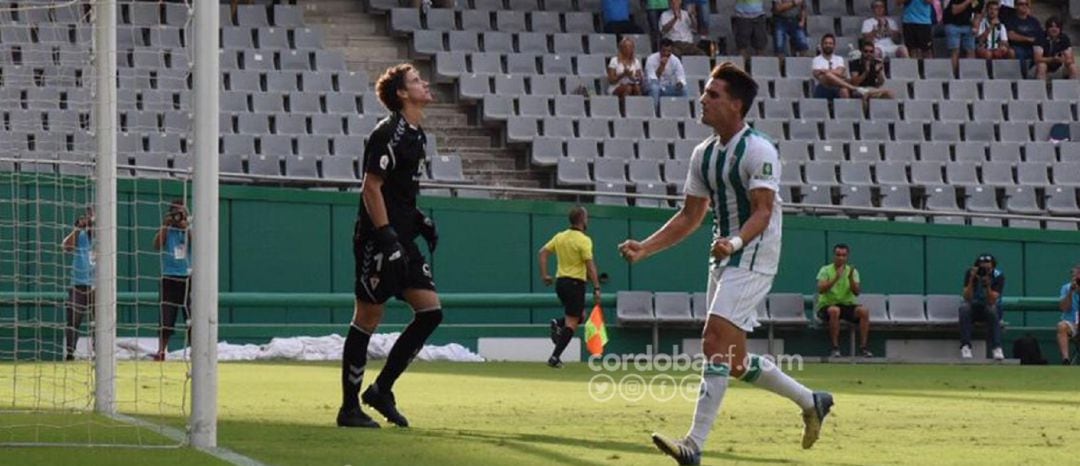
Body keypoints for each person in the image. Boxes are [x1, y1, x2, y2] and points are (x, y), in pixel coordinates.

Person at [620, 62, 833, 465]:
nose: (703, 99)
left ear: (736, 105)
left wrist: (734, 241)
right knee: (731, 360)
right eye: (704, 92)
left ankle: (693, 445)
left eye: (713, 94)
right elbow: (689, 216)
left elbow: (763, 211)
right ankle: (812, 401)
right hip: (725, 255)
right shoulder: (703, 154)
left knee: (712, 340)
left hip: (754, 253)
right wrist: (646, 248)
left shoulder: (759, 149)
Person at [336, 64, 442, 429]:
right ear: (401, 93)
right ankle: (349, 408)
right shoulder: (387, 133)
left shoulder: (418, 135)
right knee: (368, 318)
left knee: (431, 313)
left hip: (402, 236)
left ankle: (381, 389)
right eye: (415, 80)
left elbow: (400, 194)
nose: (423, 83)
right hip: (377, 239)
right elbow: (371, 187)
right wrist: (385, 236)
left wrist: (419, 221)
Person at [538, 206, 601, 368]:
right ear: (583, 220)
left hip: (561, 283)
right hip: (575, 284)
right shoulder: (584, 240)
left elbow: (542, 252)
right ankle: (554, 357)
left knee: (579, 315)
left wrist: (545, 274)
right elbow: (590, 265)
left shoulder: (560, 237)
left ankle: (558, 323)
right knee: (572, 323)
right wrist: (596, 287)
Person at [815, 244, 872, 358]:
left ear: (847, 257)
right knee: (835, 311)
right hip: (827, 306)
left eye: (843, 255)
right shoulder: (825, 270)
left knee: (864, 311)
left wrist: (850, 278)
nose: (841, 257)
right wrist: (836, 277)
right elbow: (821, 289)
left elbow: (856, 292)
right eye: (838, 255)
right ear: (834, 256)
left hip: (846, 305)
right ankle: (835, 348)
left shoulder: (852, 271)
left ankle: (863, 348)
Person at [152, 199, 192, 362]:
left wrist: (186, 226)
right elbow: (156, 245)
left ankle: (194, 350)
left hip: (188, 277)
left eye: (180, 213)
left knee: (191, 316)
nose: (177, 217)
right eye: (174, 213)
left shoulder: (189, 228)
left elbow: (197, 241)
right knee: (166, 316)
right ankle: (161, 350)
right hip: (169, 277)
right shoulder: (167, 230)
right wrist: (165, 225)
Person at [61, 206, 95, 361]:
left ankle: (99, 352)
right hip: (79, 284)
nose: (91, 218)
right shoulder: (79, 235)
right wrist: (77, 228)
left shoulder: (105, 236)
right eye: (88, 215)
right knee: (73, 319)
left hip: (99, 285)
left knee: (99, 321)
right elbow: (67, 247)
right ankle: (70, 352)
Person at [959, 253, 1005, 361]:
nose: (984, 268)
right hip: (975, 306)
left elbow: (992, 300)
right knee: (964, 309)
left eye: (988, 266)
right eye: (982, 265)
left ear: (993, 266)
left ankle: (996, 347)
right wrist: (971, 279)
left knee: (992, 310)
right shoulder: (971, 273)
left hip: (990, 307)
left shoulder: (998, 276)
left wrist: (988, 286)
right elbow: (967, 297)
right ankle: (966, 346)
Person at [812, 34, 865, 100]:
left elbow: (840, 72)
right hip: (822, 87)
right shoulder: (816, 59)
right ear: (822, 45)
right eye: (826, 43)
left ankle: (846, 109)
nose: (828, 45)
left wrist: (825, 71)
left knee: (844, 90)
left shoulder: (839, 59)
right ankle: (854, 88)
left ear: (834, 46)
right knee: (827, 76)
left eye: (830, 43)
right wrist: (833, 73)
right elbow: (817, 75)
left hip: (838, 87)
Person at [645, 39, 688, 108]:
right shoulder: (651, 59)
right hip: (654, 86)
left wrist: (680, 83)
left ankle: (684, 111)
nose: (666, 53)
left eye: (669, 51)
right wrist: (661, 66)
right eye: (664, 51)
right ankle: (654, 114)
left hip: (668, 87)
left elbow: (681, 76)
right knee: (655, 88)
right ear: (660, 50)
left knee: (684, 89)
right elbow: (653, 80)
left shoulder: (675, 60)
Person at [942, 0, 980, 78]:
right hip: (952, 23)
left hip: (967, 24)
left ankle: (969, 75)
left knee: (971, 50)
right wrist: (968, 1)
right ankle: (954, 75)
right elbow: (954, 10)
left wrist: (976, 27)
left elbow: (978, 14)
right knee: (955, 50)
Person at [1005, 0, 1042, 77]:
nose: (1024, 6)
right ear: (1016, 6)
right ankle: (1022, 76)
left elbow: (1040, 35)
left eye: (1026, 4)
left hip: (1033, 47)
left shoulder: (1034, 21)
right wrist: (1028, 39)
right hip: (1017, 47)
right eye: (1021, 4)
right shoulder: (1011, 20)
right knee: (1016, 52)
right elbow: (1011, 36)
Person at [1056, 265, 1080, 364]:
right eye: (1074, 276)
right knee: (1061, 326)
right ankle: (1066, 359)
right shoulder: (1066, 288)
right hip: (1072, 323)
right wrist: (1071, 292)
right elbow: (1064, 308)